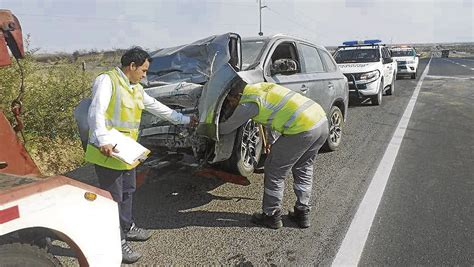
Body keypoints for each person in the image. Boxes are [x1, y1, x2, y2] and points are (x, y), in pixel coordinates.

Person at [85, 47, 197, 263]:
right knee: (113, 199)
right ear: (132, 66)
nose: (145, 75)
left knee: (128, 191)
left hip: (126, 150)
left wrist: (184, 120)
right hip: (107, 151)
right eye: (143, 70)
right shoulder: (107, 81)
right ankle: (116, 242)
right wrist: (102, 139)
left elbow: (157, 107)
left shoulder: (135, 88)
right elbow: (96, 110)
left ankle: (127, 226)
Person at [219, 78, 328, 229]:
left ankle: (271, 215)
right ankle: (302, 212)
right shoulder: (260, 88)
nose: (231, 105)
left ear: (237, 95)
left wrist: (204, 127)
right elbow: (273, 113)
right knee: (304, 168)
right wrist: (271, 140)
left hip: (302, 129)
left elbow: (227, 127)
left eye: (230, 101)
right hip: (320, 121)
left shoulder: (248, 103)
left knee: (274, 171)